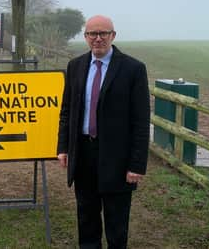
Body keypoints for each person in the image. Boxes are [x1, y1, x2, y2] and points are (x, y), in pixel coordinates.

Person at [57, 15, 150, 248]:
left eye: (103, 34)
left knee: (116, 223)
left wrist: (137, 164)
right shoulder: (75, 66)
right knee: (86, 218)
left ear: (113, 36)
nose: (98, 39)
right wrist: (63, 147)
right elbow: (67, 111)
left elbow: (141, 120)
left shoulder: (133, 69)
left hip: (117, 159)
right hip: (84, 154)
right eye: (92, 34)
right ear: (86, 37)